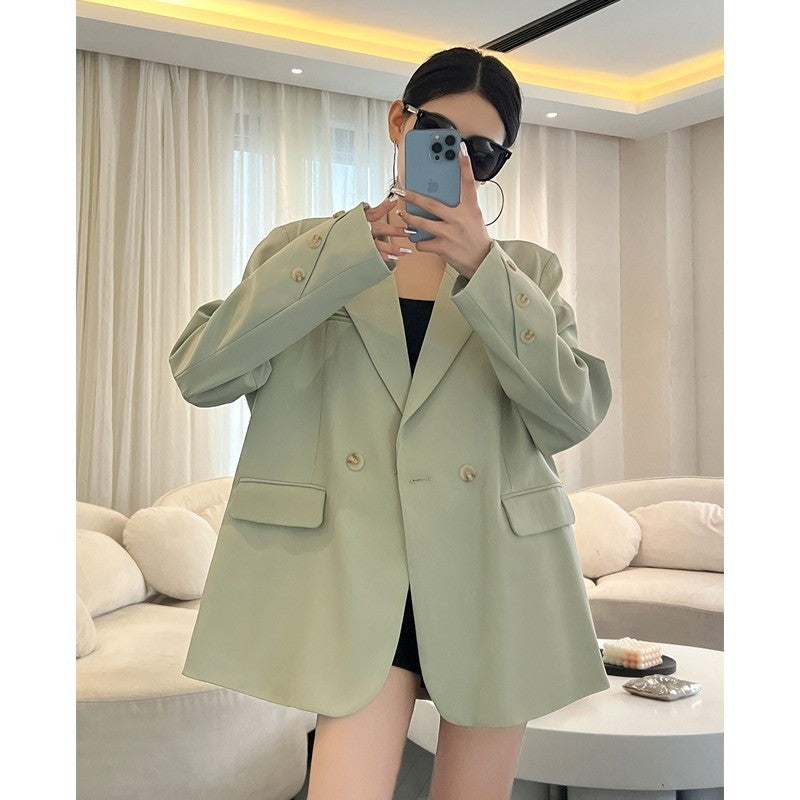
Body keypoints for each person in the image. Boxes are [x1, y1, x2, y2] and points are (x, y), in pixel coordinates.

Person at [170, 45, 612, 800]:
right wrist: (342, 256)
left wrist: (485, 269)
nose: (460, 162)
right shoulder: (306, 251)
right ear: (398, 122)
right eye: (439, 135)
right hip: (357, 573)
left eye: (483, 152)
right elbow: (202, 373)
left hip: (492, 569)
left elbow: (569, 414)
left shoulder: (526, 273)